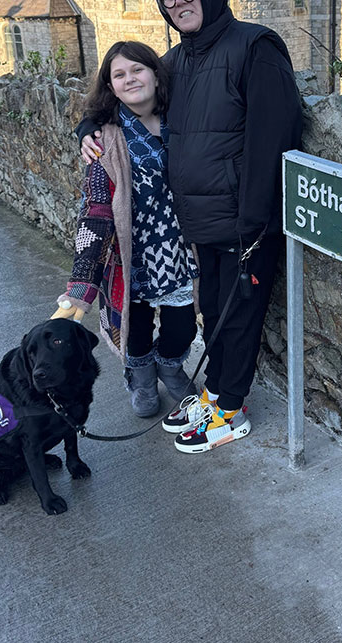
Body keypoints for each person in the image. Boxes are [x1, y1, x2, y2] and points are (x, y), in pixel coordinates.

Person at [79, 0, 302, 454]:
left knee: (240, 315)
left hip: (249, 222)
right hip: (200, 222)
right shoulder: (175, 63)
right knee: (215, 312)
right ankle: (216, 394)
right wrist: (88, 129)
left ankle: (231, 409)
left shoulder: (255, 46)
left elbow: (274, 135)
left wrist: (256, 219)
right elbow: (122, 100)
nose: (179, 2)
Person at [55, 40, 199, 419]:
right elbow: (97, 210)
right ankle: (142, 380)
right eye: (119, 74)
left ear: (155, 73)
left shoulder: (181, 119)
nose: (130, 79)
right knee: (134, 328)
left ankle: (170, 368)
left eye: (137, 69)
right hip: (128, 252)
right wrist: (81, 285)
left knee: (181, 326)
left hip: (176, 248)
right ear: (110, 86)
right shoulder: (104, 140)